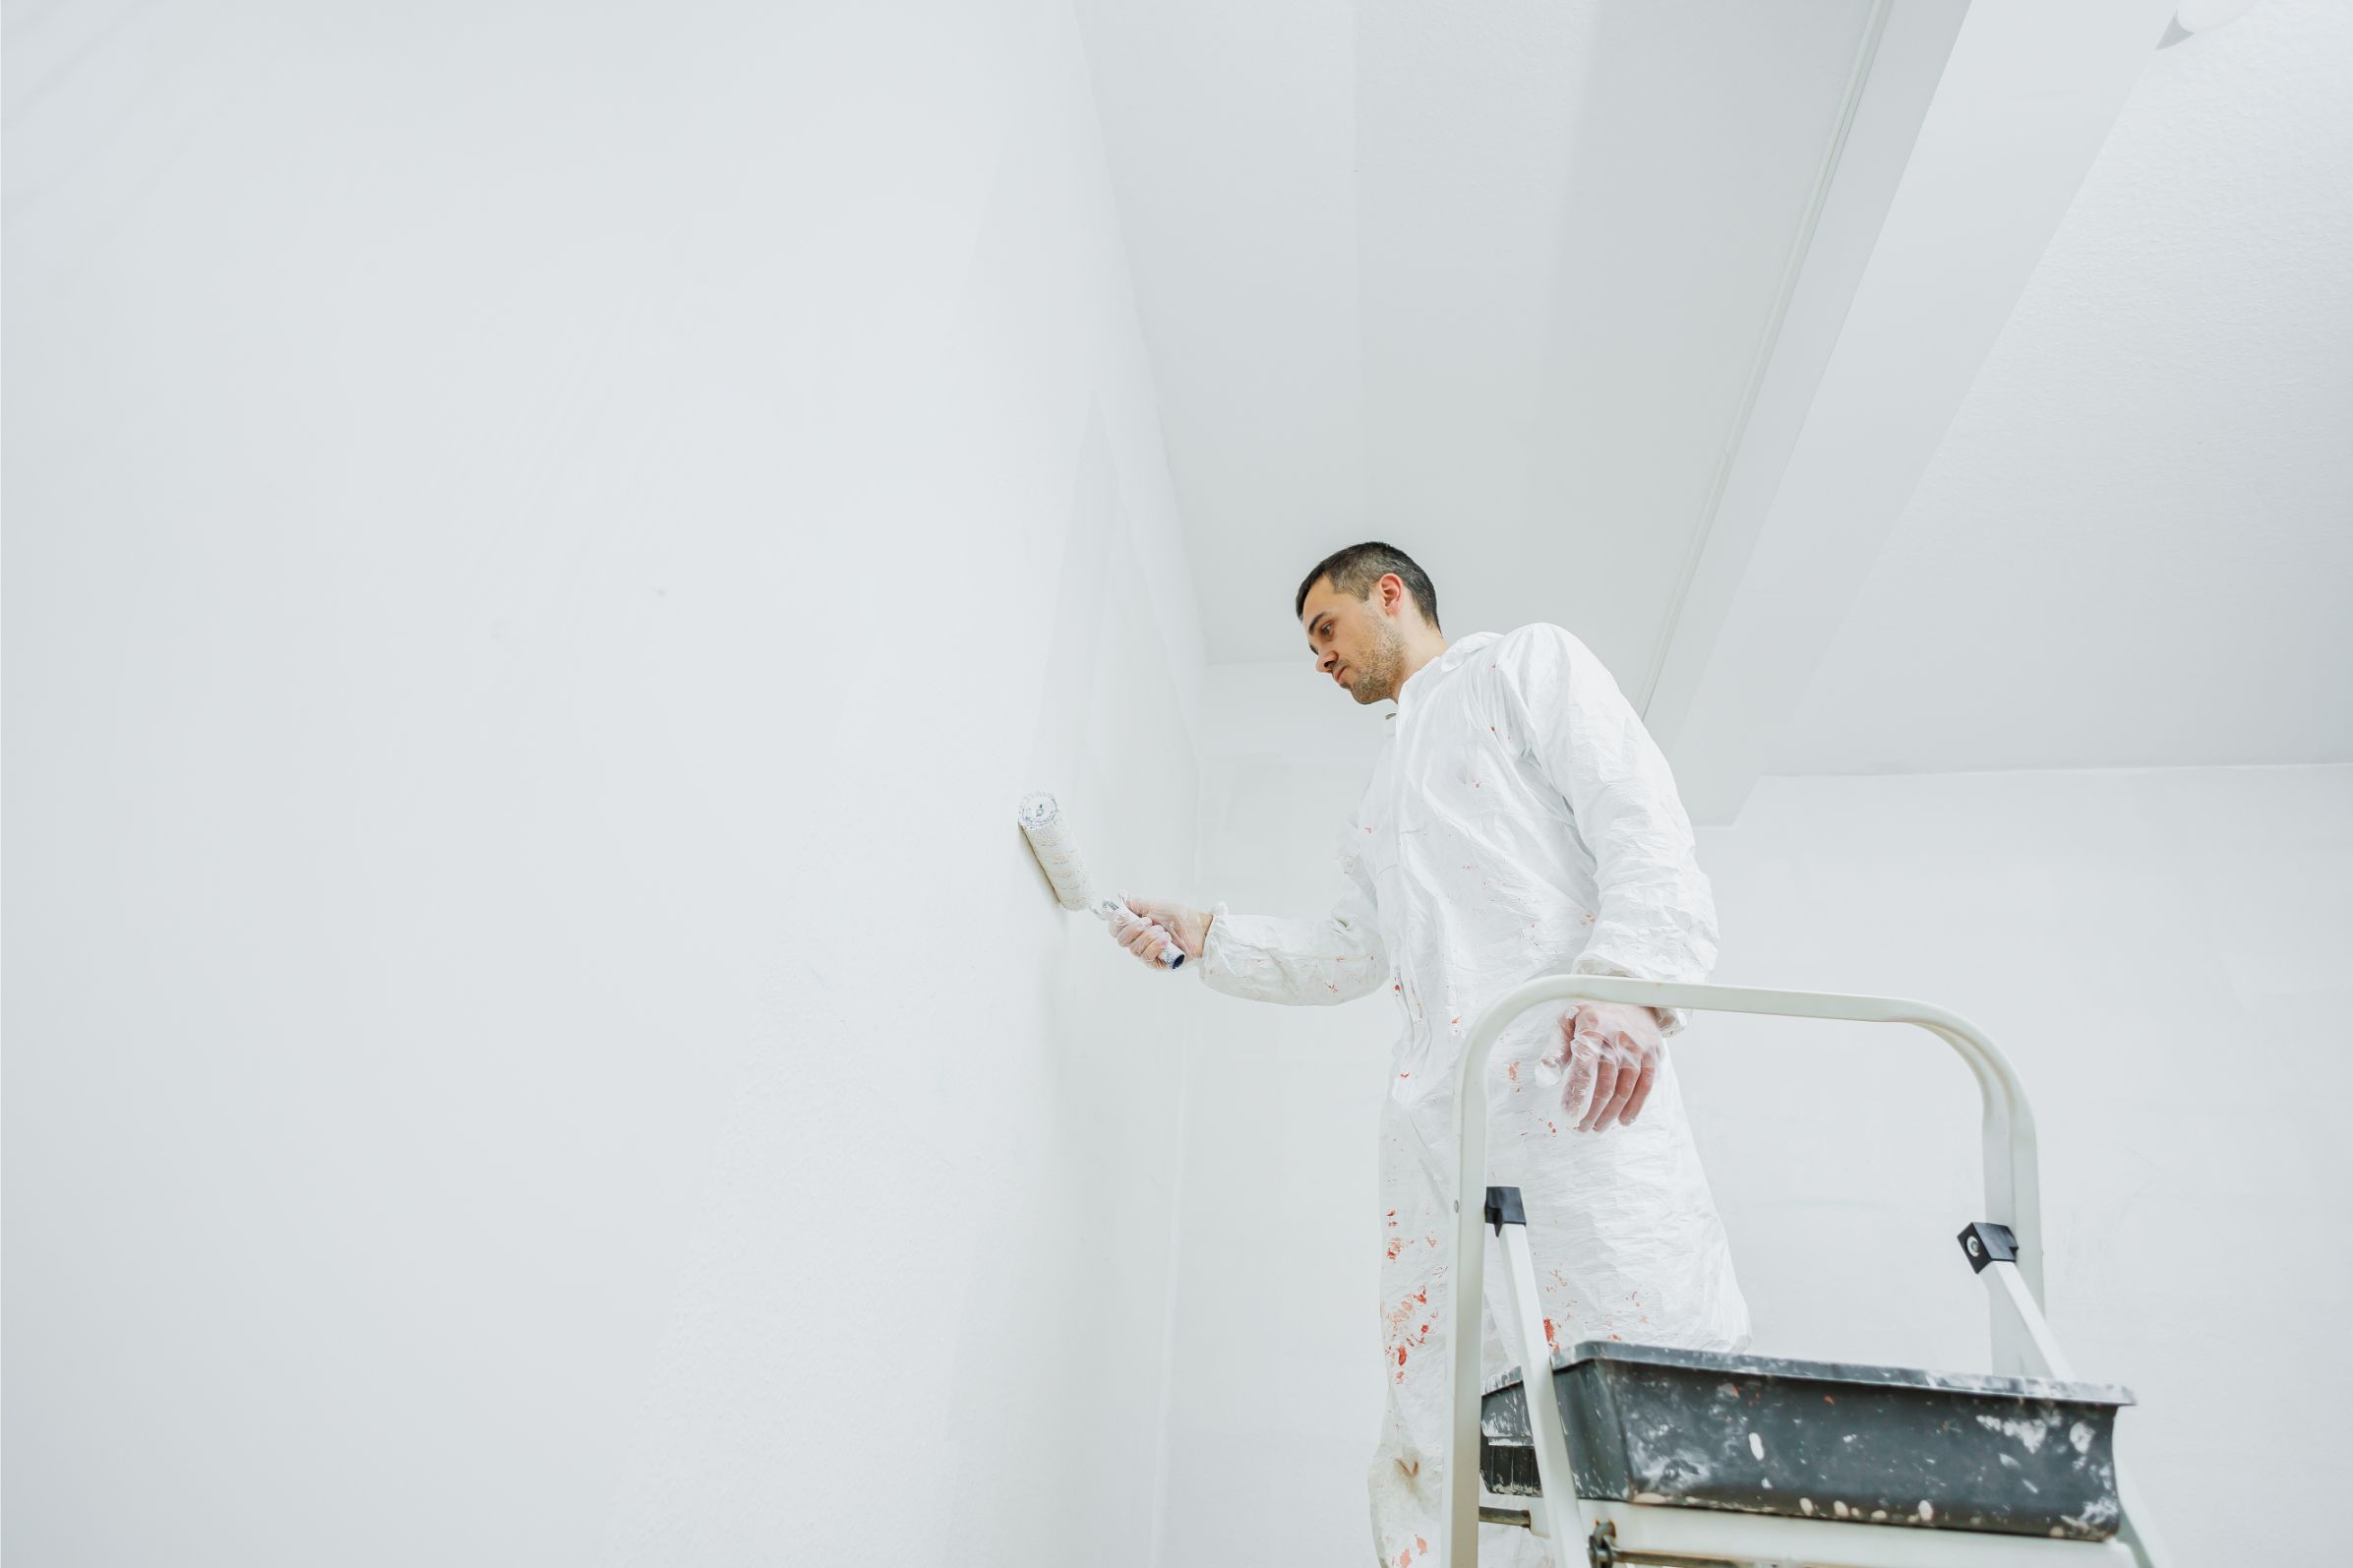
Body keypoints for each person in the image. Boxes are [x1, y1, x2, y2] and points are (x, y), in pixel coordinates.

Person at [1113, 542, 1748, 1568]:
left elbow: (1638, 814)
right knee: (1453, 1410)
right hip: (1438, 1129)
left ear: (1390, 594)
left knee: (1638, 1351)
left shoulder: (1520, 668)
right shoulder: (1379, 801)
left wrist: (1628, 980)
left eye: (1325, 628)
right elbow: (1351, 952)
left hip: (1572, 1082)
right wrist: (1209, 936)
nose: (1319, 658)